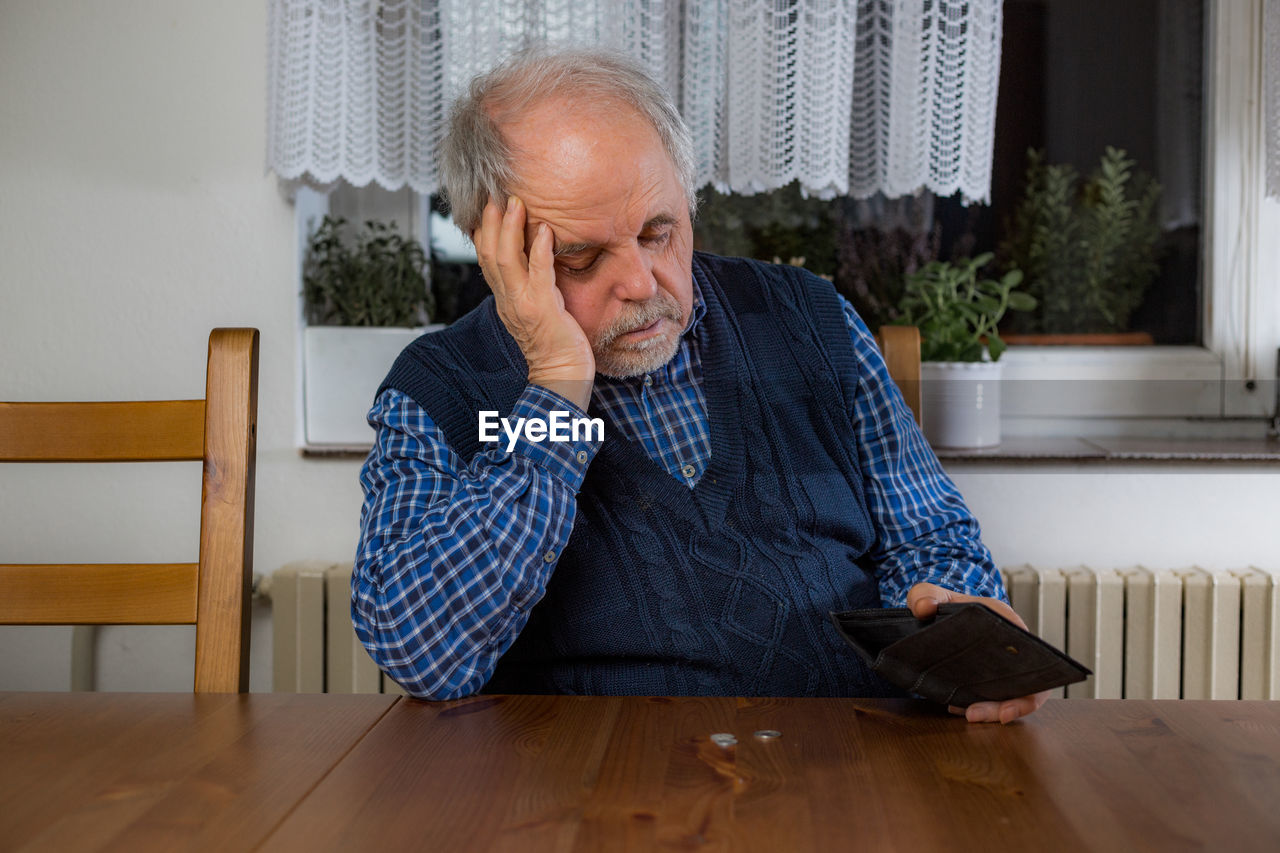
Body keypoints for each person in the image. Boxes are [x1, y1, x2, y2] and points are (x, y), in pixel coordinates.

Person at [353, 47, 1047, 723]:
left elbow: (928, 537)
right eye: (582, 257)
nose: (641, 283)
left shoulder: (810, 317)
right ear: (495, 248)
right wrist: (557, 388)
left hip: (844, 771)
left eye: (659, 232)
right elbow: (424, 655)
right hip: (594, 798)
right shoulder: (440, 389)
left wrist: (959, 627)